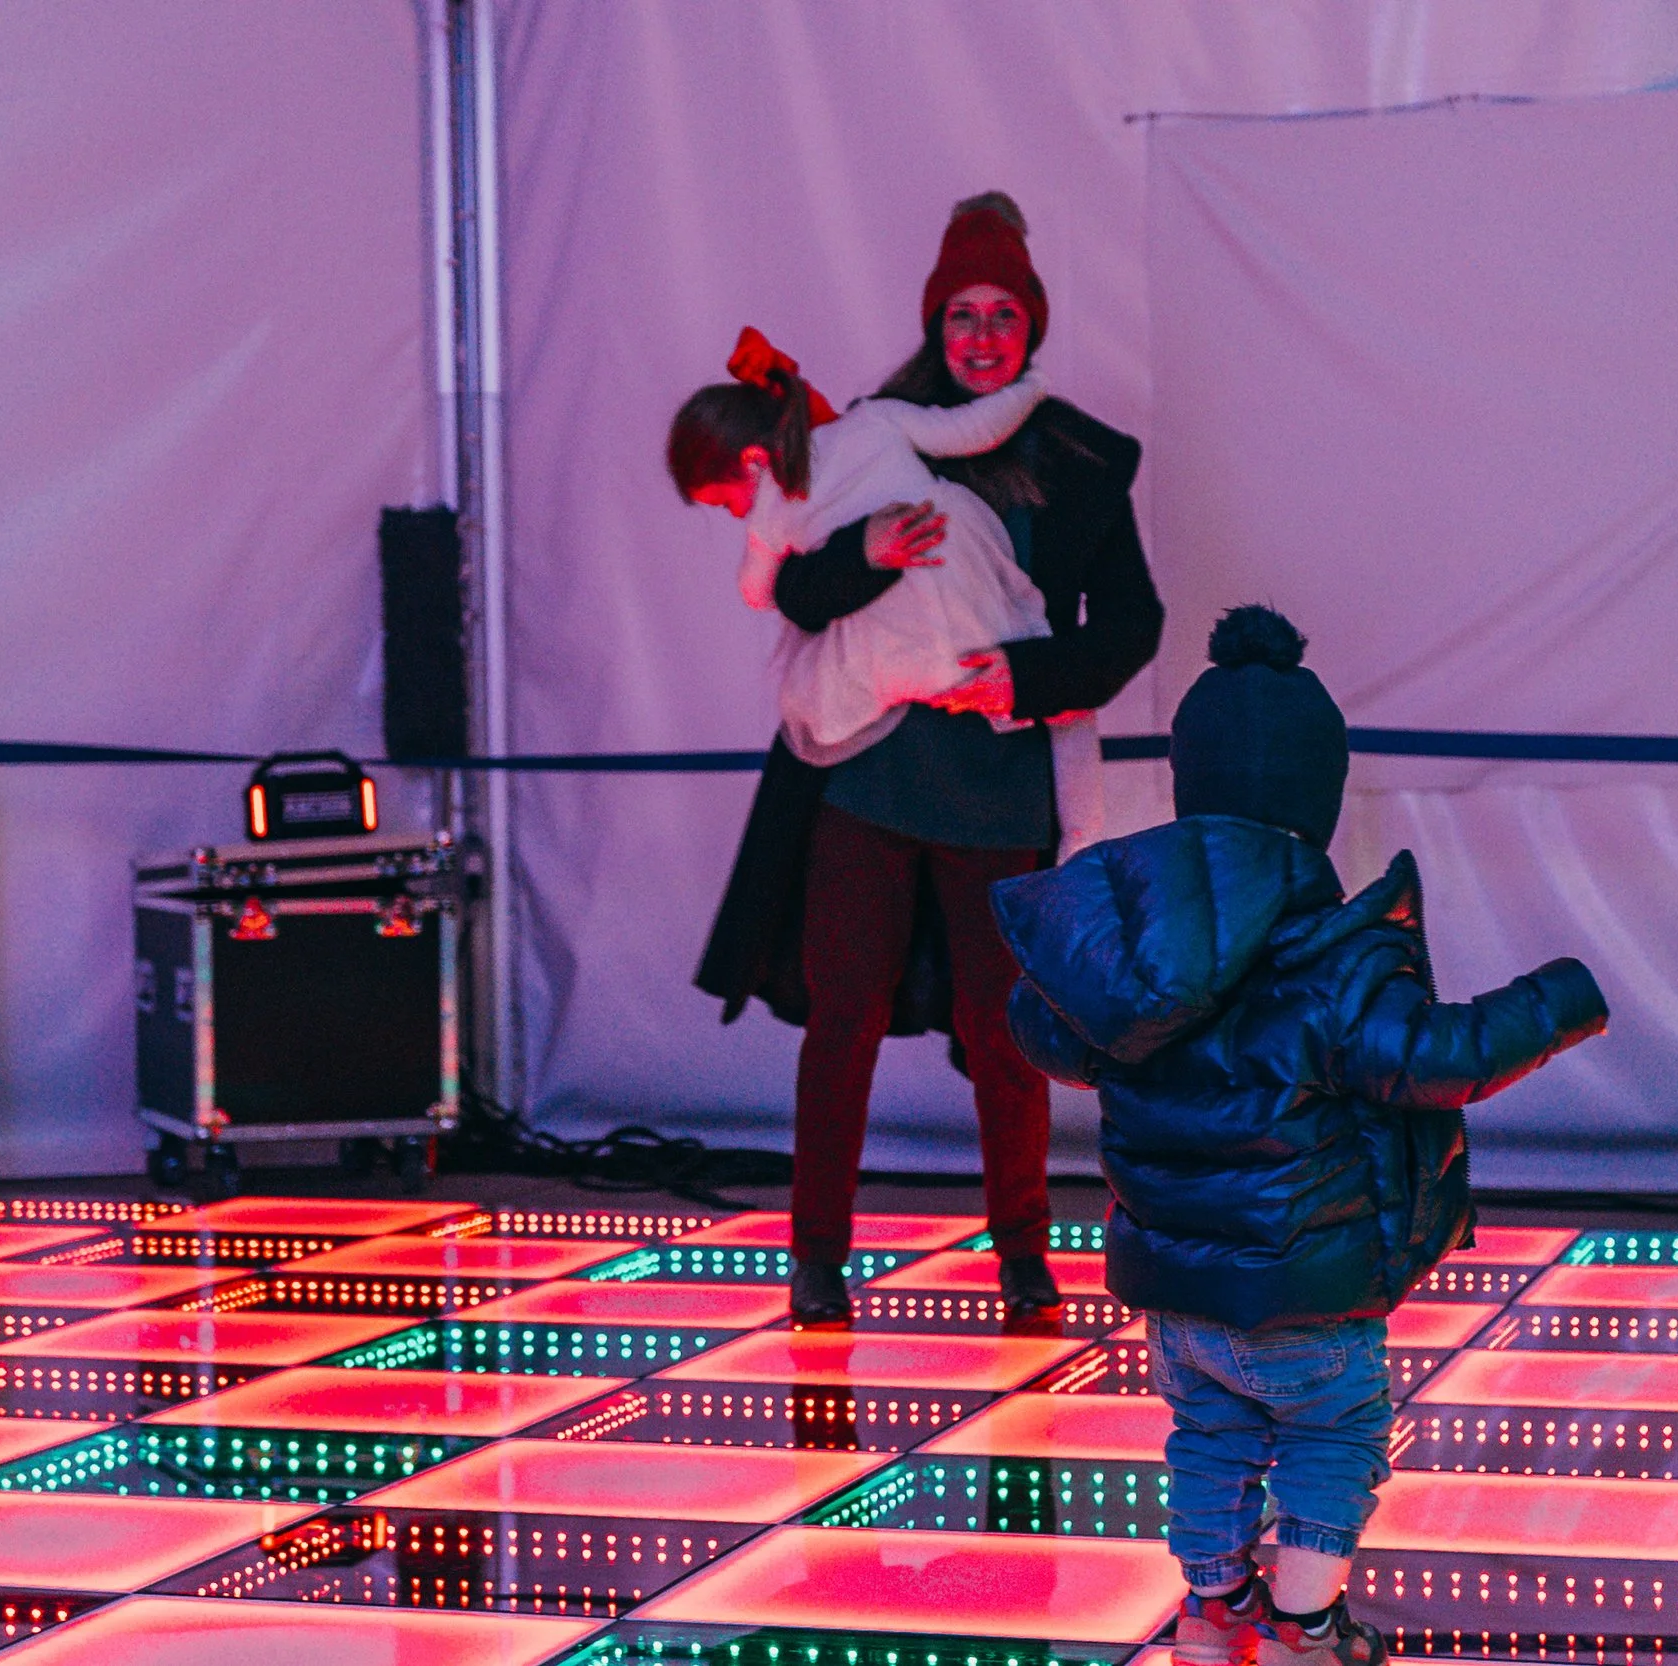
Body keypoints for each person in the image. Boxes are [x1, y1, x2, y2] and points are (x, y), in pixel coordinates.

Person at [988, 606, 1610, 1664]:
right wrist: (1556, 1000)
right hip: (1307, 1283)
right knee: (1333, 1433)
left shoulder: (1136, 967)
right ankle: (1305, 1625)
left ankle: (1211, 1608)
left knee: (1210, 1435)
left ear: (1192, 785)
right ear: (1314, 802)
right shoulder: (1333, 956)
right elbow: (1437, 1057)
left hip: (1177, 1285)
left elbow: (1041, 1024)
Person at [696, 192, 1165, 1327]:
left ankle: (1022, 1258)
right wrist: (860, 551)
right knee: (840, 1015)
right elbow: (799, 592)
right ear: (935, 324)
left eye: (1003, 313)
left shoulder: (1079, 458)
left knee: (1006, 1034)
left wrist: (1027, 679)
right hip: (865, 766)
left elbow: (1131, 624)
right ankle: (816, 1257)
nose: (982, 335)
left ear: (1031, 325)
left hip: (998, 775)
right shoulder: (873, 429)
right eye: (962, 313)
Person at [666, 326, 1103, 860]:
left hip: (898, 642)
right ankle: (1083, 833)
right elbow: (969, 430)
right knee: (1057, 695)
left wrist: (763, 545)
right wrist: (1029, 389)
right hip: (955, 586)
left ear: (755, 461)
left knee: (832, 710)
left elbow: (756, 592)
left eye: (724, 502)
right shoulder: (873, 421)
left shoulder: (771, 512)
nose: (734, 513)